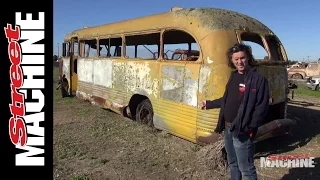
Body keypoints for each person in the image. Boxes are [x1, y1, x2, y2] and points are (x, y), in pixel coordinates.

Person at [201, 43, 270, 180]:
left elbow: (261, 107)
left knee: (246, 168)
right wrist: (209, 104)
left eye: (242, 58)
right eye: (236, 59)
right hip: (228, 128)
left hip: (242, 130)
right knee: (232, 163)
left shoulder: (258, 79)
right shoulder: (233, 76)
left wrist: (249, 128)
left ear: (248, 57)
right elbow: (226, 100)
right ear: (232, 60)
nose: (240, 62)